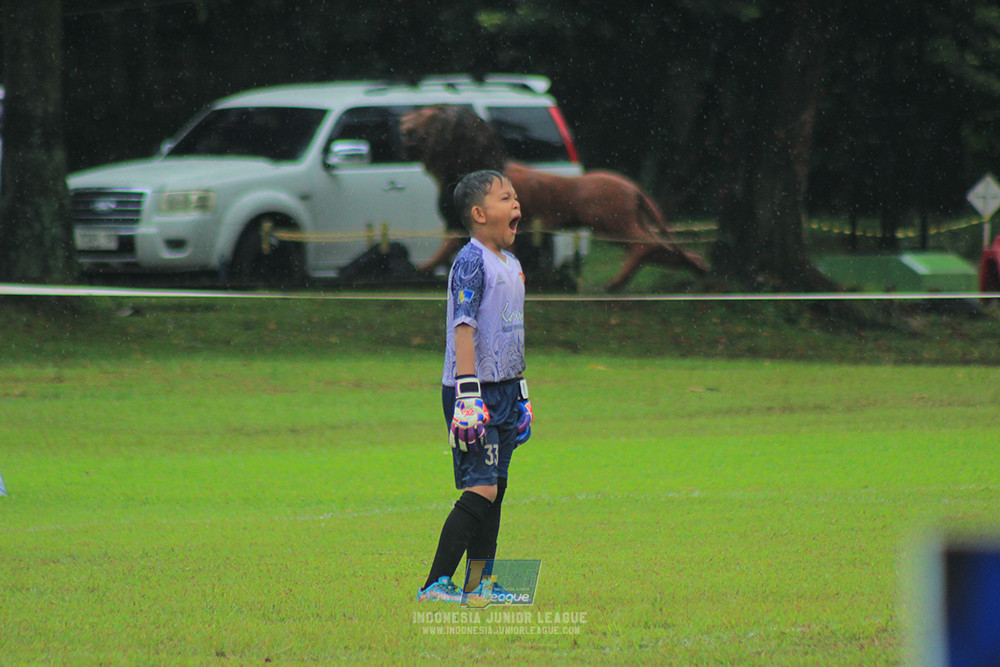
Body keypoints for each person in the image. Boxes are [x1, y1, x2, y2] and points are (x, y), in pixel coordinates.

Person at [417, 170, 533, 603]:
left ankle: (479, 585)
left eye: (515, 196)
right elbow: (463, 328)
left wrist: (521, 395)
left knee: (495, 489)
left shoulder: (512, 264)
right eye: (505, 198)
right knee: (481, 488)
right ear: (480, 215)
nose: (516, 203)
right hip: (473, 393)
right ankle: (435, 584)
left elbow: (511, 334)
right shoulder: (471, 261)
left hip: (504, 391)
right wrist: (467, 396)